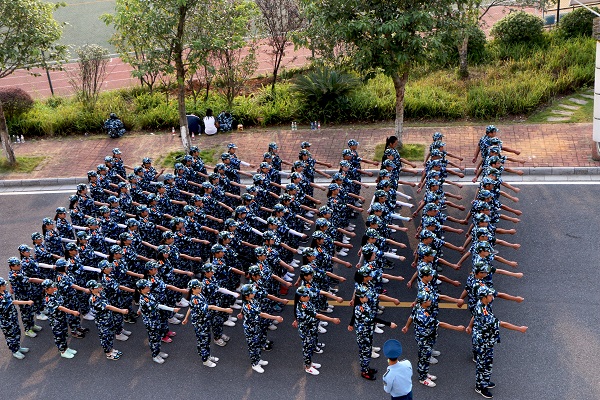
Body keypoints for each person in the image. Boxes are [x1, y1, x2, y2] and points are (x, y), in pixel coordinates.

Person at [467, 285, 528, 399]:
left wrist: (470, 326)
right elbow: (502, 324)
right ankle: (480, 386)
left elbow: (473, 316)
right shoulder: (483, 313)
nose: (492, 296)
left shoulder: (482, 303)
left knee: (488, 362)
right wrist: (519, 329)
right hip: (483, 342)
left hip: (487, 339)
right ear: (484, 297)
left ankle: (485, 380)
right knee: (482, 364)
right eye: (490, 295)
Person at [0, 277, 32, 360]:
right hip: (6, 321)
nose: (5, 286)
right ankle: (14, 351)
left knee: (17, 332)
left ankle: (18, 347)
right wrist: (27, 302)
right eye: (3, 285)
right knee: (11, 336)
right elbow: (13, 302)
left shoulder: (4, 292)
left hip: (12, 317)